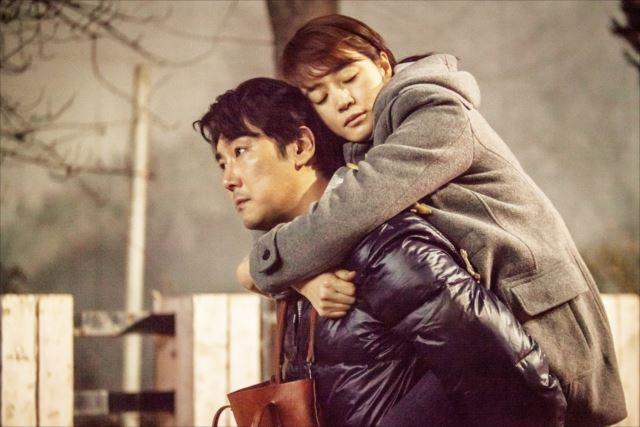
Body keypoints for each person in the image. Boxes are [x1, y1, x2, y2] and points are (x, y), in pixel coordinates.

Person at [238, 14, 626, 426]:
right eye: (320, 96)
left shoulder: (436, 116)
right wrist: (301, 278)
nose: (342, 100)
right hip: (482, 334)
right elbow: (334, 232)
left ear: (383, 64)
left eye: (349, 78)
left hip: (540, 335)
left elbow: (350, 213)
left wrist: (263, 264)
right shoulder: (368, 148)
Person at [195, 77, 566, 426]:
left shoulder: (386, 251)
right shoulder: (295, 269)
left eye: (241, 152)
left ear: (301, 147)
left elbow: (517, 388)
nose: (228, 179)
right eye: (222, 162)